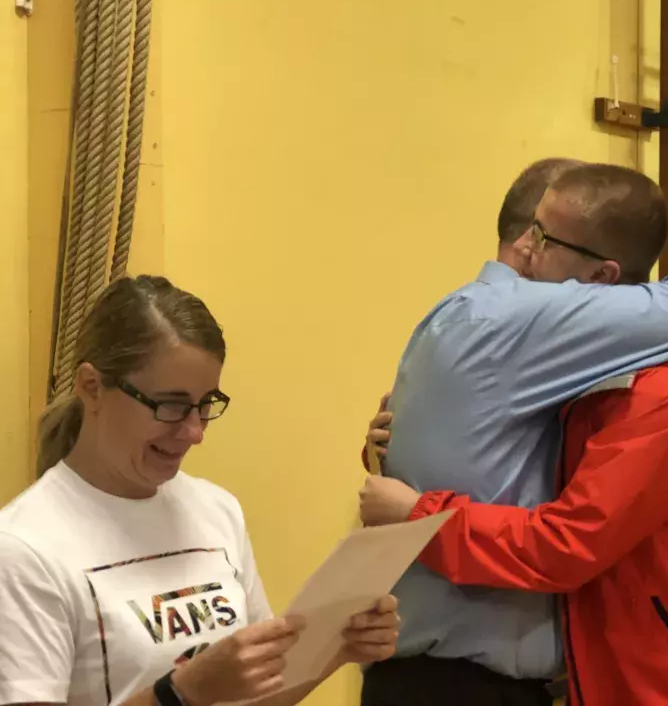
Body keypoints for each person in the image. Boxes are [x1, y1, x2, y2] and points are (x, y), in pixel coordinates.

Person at [358, 164, 668, 705]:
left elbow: (566, 545)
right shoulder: (577, 375)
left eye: (542, 238)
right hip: (621, 673)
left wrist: (417, 514)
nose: (523, 248)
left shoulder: (666, 397)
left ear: (601, 281)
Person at [0, 276, 400, 706]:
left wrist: (339, 646)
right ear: (92, 387)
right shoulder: (24, 548)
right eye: (169, 405)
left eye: (205, 405)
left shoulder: (216, 510)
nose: (194, 433)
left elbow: (256, 694)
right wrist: (182, 693)